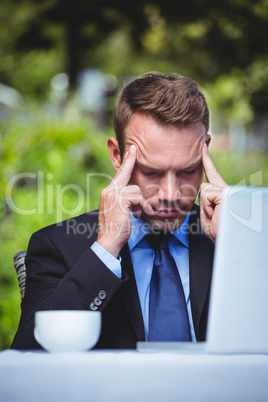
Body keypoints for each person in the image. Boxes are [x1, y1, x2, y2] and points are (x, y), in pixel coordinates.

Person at [11, 72, 227, 350]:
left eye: (188, 170)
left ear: (205, 151)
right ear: (117, 155)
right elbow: (29, 354)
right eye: (150, 171)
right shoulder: (57, 246)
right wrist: (106, 249)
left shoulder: (236, 243)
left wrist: (233, 248)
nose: (171, 195)